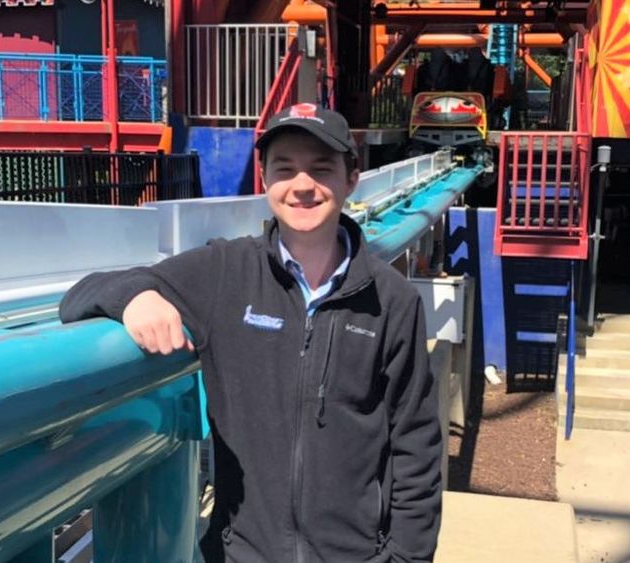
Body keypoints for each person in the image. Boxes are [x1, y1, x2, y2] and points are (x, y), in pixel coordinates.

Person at [59, 103, 443, 563]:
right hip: (241, 553)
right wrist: (137, 298)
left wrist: (406, 558)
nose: (303, 186)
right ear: (264, 179)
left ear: (351, 178)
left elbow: (416, 445)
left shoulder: (393, 300)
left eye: (321, 169)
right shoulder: (226, 272)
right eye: (286, 169)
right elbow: (82, 293)